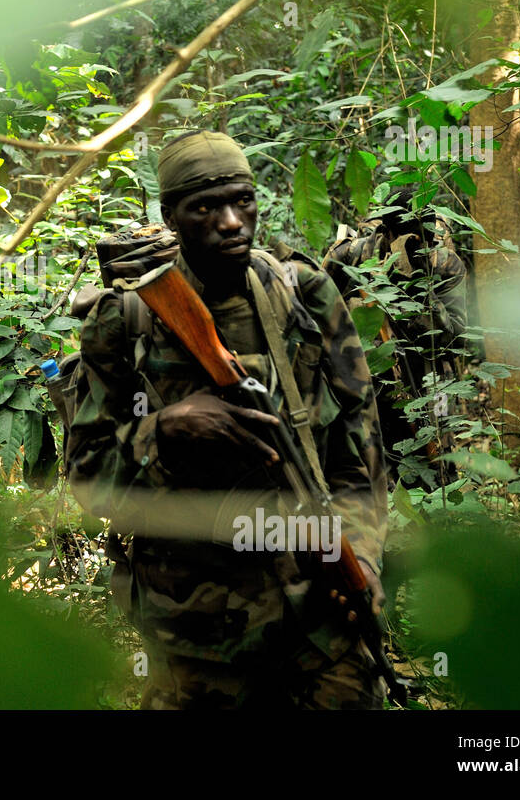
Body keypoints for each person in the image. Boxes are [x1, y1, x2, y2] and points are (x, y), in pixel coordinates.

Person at [66, 131, 390, 709]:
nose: (232, 222)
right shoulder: (125, 317)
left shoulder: (306, 294)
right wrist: (162, 432)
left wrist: (360, 557)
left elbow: (358, 452)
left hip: (317, 617)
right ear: (170, 217)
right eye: (205, 208)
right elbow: (88, 479)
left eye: (243, 201)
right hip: (197, 638)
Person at [322, 187, 468, 481]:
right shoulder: (349, 257)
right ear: (386, 234)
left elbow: (456, 339)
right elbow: (316, 317)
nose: (420, 244)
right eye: (411, 237)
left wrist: (422, 292)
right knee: (369, 468)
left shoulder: (444, 265)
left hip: (429, 378)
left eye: (425, 236)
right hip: (367, 378)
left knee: (438, 466)